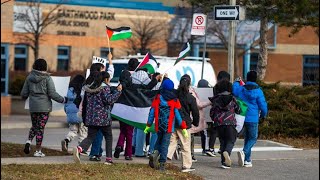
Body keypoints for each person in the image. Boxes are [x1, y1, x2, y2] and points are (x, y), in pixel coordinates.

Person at [73, 70, 122, 165]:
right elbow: (109, 100)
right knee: (108, 137)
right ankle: (108, 159)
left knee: (90, 136)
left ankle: (79, 148)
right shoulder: (104, 88)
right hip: (103, 119)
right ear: (106, 79)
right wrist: (118, 92)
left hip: (91, 118)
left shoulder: (89, 88)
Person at [21, 58, 67, 157]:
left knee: (34, 126)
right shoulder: (47, 78)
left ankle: (28, 142)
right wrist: (63, 100)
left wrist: (25, 98)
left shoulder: (29, 77)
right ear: (44, 67)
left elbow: (24, 93)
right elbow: (52, 93)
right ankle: (38, 151)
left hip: (33, 107)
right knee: (40, 129)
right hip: (44, 108)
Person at [144, 78, 188, 172]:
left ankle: (154, 154)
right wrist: (183, 128)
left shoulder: (157, 98)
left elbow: (152, 112)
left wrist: (148, 125)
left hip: (158, 126)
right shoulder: (175, 100)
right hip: (169, 127)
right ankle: (162, 165)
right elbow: (178, 115)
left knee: (158, 142)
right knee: (164, 145)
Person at [233, 70, 268, 168]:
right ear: (255, 79)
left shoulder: (241, 89)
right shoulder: (258, 91)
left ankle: (247, 160)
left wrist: (236, 82)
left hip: (242, 117)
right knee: (253, 138)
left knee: (247, 138)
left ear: (247, 78)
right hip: (253, 119)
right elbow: (263, 105)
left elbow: (234, 90)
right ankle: (244, 152)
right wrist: (263, 115)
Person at [167, 74, 199, 172]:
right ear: (189, 84)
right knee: (185, 145)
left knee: (172, 142)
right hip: (185, 125)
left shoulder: (174, 94)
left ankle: (164, 159)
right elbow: (195, 112)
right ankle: (186, 166)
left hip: (173, 122)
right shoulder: (191, 98)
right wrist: (195, 123)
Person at [89, 53, 115, 161]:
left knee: (93, 134)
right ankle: (95, 153)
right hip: (101, 114)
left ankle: (96, 152)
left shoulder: (89, 81)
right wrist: (110, 61)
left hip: (90, 113)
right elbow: (110, 73)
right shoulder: (101, 84)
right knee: (100, 134)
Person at [209, 80, 240, 169]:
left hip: (219, 124)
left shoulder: (216, 99)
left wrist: (215, 119)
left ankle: (224, 162)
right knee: (231, 140)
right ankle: (227, 152)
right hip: (230, 122)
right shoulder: (233, 99)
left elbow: (212, 113)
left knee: (222, 141)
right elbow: (238, 109)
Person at [131, 66, 161, 157]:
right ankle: (151, 151)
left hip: (140, 108)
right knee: (155, 130)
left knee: (141, 129)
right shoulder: (156, 84)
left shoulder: (134, 81)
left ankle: (138, 151)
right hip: (154, 109)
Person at [114, 58, 139, 161]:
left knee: (123, 129)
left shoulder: (123, 74)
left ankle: (119, 145)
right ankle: (128, 154)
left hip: (121, 105)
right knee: (130, 132)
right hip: (132, 106)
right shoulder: (137, 76)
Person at [206, 71, 231, 157]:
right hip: (227, 114)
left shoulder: (215, 87)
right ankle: (222, 148)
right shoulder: (228, 87)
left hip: (216, 111)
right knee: (224, 132)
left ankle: (211, 148)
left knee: (214, 130)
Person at [61, 75, 87, 152]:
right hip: (80, 113)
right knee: (83, 132)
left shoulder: (68, 91)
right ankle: (81, 149)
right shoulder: (82, 91)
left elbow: (66, 104)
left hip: (70, 113)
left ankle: (66, 140)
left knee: (73, 131)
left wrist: (67, 112)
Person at [189, 79, 212, 162]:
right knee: (192, 135)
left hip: (191, 116)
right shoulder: (192, 92)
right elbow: (199, 105)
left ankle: (189, 153)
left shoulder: (191, 91)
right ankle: (193, 153)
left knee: (189, 135)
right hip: (195, 116)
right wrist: (210, 102)